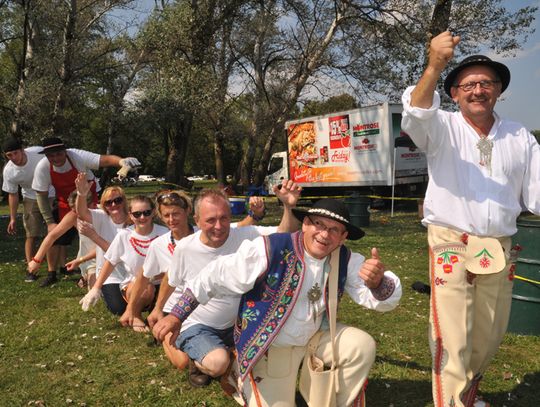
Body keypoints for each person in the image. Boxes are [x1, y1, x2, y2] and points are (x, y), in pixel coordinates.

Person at [401, 31, 540, 407]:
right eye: (469, 84)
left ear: (498, 90)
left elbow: (538, 195)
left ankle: (464, 395)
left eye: (486, 83)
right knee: (452, 336)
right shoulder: (442, 127)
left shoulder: (520, 136)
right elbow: (415, 116)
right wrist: (434, 65)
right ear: (455, 93)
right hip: (451, 242)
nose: (478, 90)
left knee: (488, 335)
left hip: (498, 246)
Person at [153, 198, 402, 405]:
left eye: (334, 229)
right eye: (318, 224)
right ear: (305, 224)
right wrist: (177, 315)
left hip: (315, 340)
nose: (324, 234)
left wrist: (377, 283)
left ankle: (324, 400)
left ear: (343, 236)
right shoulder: (270, 249)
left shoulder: (344, 258)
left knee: (361, 345)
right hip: (269, 348)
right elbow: (213, 275)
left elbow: (383, 300)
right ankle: (240, 374)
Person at [153, 181, 301, 388]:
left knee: (280, 350)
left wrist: (288, 206)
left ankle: (227, 352)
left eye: (224, 218)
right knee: (218, 364)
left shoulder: (245, 235)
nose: (219, 226)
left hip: (240, 322)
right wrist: (159, 310)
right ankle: (198, 361)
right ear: (196, 220)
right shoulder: (185, 248)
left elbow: (284, 237)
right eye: (210, 220)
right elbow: (171, 279)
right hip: (198, 325)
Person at [31, 136, 140, 286]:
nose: (55, 158)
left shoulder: (77, 157)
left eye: (59, 153)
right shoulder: (43, 168)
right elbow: (41, 197)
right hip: (69, 203)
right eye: (51, 155)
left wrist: (121, 162)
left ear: (65, 151)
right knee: (67, 237)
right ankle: (56, 273)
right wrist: (49, 222)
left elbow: (105, 160)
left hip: (90, 198)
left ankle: (90, 273)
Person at [79, 195, 168, 326]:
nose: (142, 217)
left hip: (163, 283)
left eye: (146, 212)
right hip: (135, 284)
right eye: (137, 214)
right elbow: (110, 262)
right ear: (131, 216)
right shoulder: (124, 235)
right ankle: (134, 314)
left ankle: (155, 309)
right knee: (146, 287)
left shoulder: (165, 233)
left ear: (153, 212)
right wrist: (96, 288)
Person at [74, 173, 131, 315]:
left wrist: (94, 236)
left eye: (117, 200)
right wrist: (81, 194)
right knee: (118, 309)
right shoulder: (102, 217)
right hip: (108, 275)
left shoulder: (134, 219)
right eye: (108, 202)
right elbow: (81, 212)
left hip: (130, 272)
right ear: (104, 205)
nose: (113, 205)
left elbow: (120, 255)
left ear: (124, 201)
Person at [2, 138, 56, 282]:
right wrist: (12, 218)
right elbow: (13, 194)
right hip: (30, 197)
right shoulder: (9, 171)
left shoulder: (38, 152)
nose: (14, 158)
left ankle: (53, 271)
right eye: (9, 155)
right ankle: (31, 270)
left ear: (22, 150)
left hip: (50, 192)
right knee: (31, 234)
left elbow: (56, 162)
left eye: (15, 153)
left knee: (52, 232)